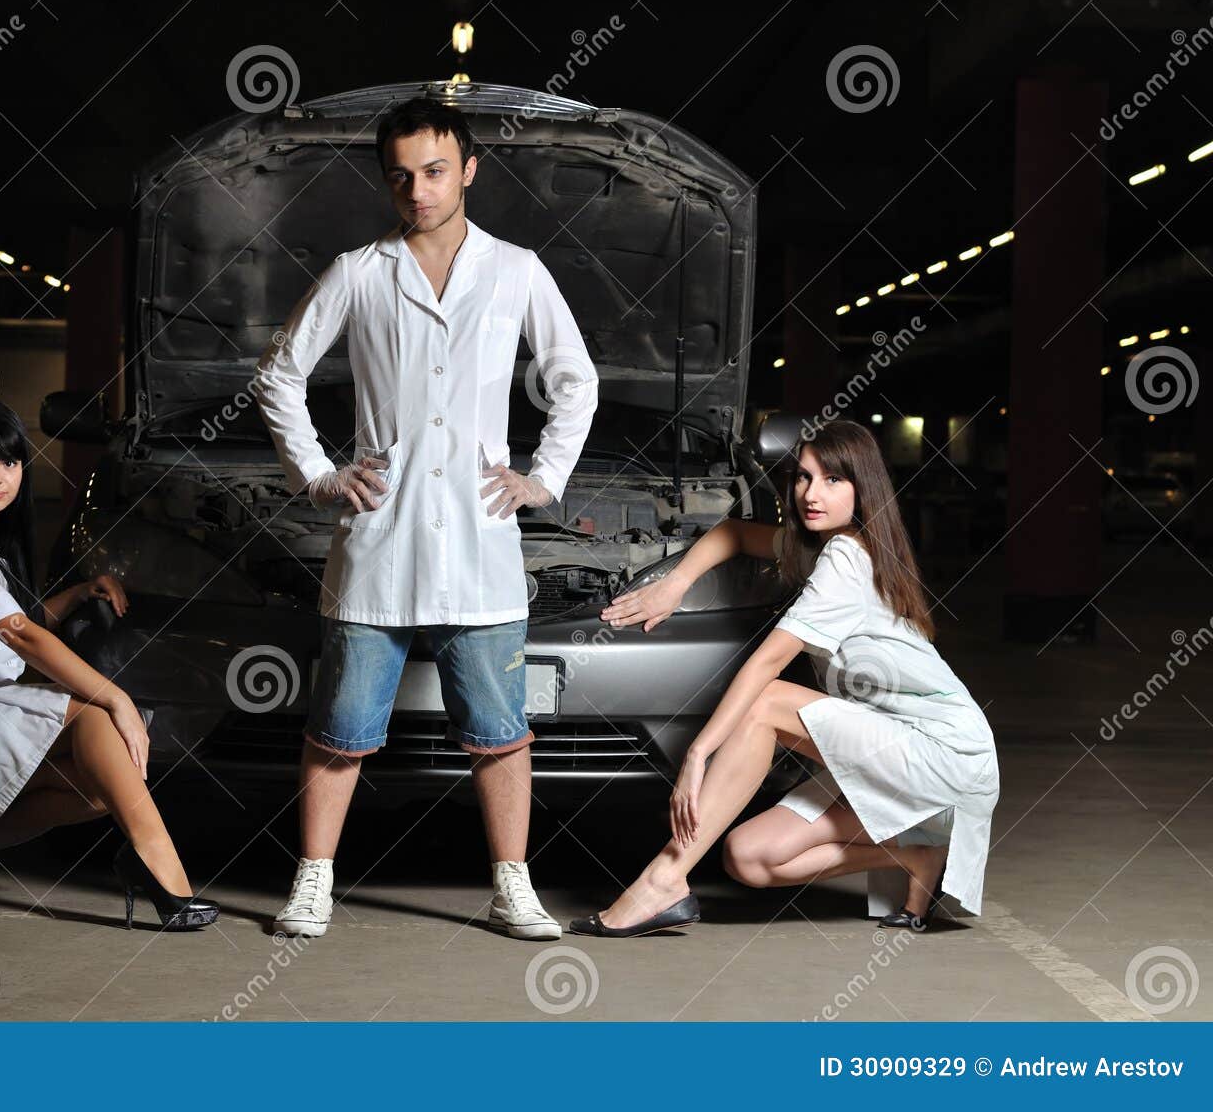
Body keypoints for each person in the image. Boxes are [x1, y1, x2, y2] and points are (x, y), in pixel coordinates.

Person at [252, 98, 598, 940]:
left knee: (500, 732)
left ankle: (512, 886)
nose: (420, 189)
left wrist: (542, 478)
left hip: (481, 540)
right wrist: (320, 475)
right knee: (339, 729)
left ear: (469, 170)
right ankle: (315, 880)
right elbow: (278, 375)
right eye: (402, 175)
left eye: (436, 170)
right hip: (380, 543)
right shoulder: (359, 271)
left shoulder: (517, 270)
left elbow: (575, 379)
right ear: (386, 180)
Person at [569, 418, 998, 937]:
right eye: (802, 478)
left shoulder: (846, 559)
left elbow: (769, 664)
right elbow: (731, 533)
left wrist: (699, 753)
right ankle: (914, 857)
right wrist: (676, 583)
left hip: (943, 751)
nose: (811, 494)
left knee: (768, 701)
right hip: (895, 744)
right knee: (749, 858)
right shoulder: (822, 547)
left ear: (865, 490)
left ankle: (663, 879)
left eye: (832, 481)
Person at [0, 400, 217, 931]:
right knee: (95, 717)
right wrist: (115, 698)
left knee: (100, 788)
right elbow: (20, 635)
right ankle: (157, 860)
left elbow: (8, 629)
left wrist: (76, 594)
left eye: (8, 463)